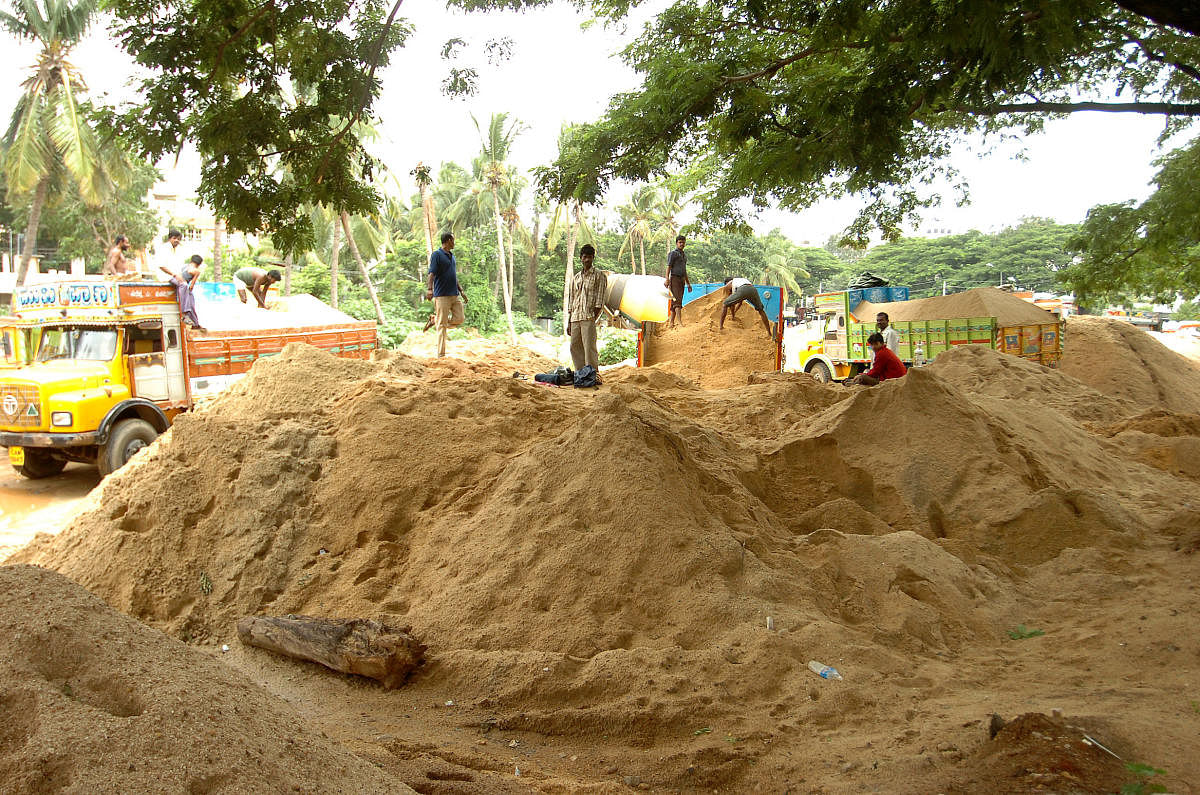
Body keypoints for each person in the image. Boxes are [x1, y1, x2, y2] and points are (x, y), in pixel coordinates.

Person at [425, 232, 468, 358]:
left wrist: (461, 291)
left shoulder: (452, 256)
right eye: (453, 240)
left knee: (460, 318)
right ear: (449, 240)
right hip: (441, 295)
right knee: (442, 326)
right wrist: (429, 289)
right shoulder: (437, 255)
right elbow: (431, 273)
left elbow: (453, 276)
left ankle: (435, 320)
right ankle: (441, 355)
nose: (454, 242)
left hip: (454, 294)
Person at [567, 244, 607, 371]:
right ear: (581, 258)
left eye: (590, 257)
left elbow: (600, 301)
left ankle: (592, 375)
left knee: (589, 348)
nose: (587, 260)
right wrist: (569, 321)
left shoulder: (599, 276)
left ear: (593, 258)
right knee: (574, 346)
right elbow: (572, 300)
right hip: (575, 317)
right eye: (585, 257)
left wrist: (592, 318)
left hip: (588, 317)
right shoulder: (576, 278)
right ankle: (580, 375)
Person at [158, 256, 204, 330]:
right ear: (199, 264)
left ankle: (195, 323)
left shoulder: (185, 266)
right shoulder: (196, 271)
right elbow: (191, 286)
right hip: (179, 281)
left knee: (190, 298)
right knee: (188, 295)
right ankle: (185, 313)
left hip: (174, 280)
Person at [663, 235, 691, 328]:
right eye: (680, 242)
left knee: (676, 301)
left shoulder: (684, 256)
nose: (681, 244)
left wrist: (688, 283)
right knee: (677, 300)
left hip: (682, 280)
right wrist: (667, 279)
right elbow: (669, 266)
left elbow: (684, 270)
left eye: (683, 242)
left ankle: (671, 323)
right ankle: (679, 322)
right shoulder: (673, 253)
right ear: (676, 243)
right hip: (674, 279)